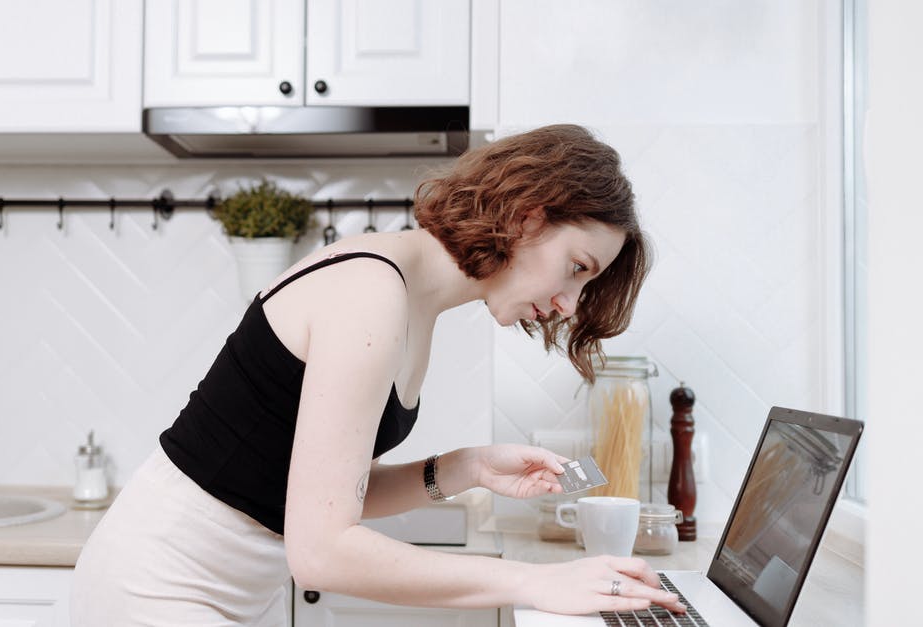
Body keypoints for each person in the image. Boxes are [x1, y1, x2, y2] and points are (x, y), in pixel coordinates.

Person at [70, 124, 685, 625]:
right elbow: (322, 550)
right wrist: (536, 583)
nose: (570, 304)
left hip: (212, 595)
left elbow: (323, 493)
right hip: (149, 590)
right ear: (527, 216)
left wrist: (466, 468)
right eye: (577, 268)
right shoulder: (371, 291)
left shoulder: (410, 299)